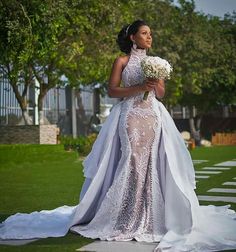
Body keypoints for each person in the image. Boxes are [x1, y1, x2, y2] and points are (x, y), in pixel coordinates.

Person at [0, 20, 236, 252]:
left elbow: (161, 93)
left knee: (152, 162)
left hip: (154, 116)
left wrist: (154, 84)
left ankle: (151, 215)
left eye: (150, 34)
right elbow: (112, 91)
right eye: (144, 33)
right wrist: (139, 88)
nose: (149, 37)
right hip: (130, 115)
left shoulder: (155, 62)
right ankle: (123, 215)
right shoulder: (121, 61)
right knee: (131, 159)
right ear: (132, 37)